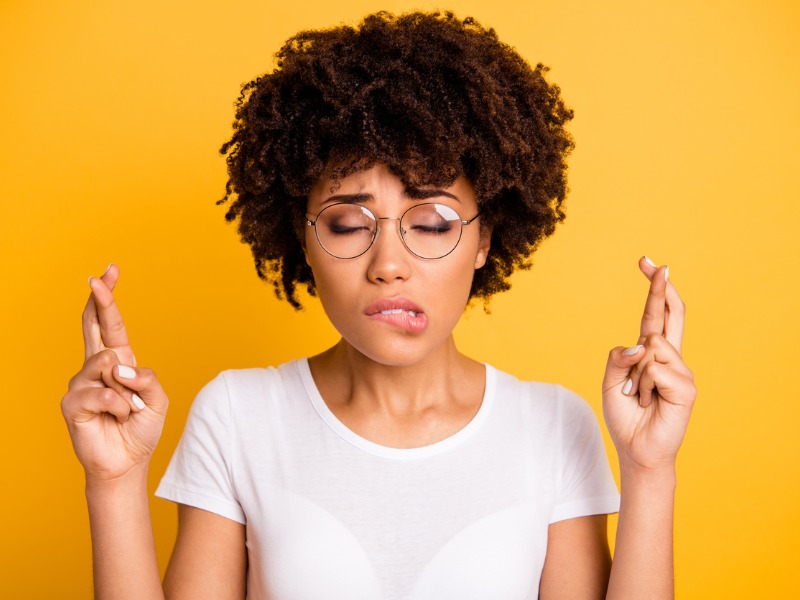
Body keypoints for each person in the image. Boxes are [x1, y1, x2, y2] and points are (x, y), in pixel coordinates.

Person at [61, 10, 696, 600]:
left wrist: (648, 468)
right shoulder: (238, 416)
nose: (389, 264)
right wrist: (113, 482)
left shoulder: (555, 427)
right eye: (346, 225)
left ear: (483, 241)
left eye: (433, 223)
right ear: (303, 241)